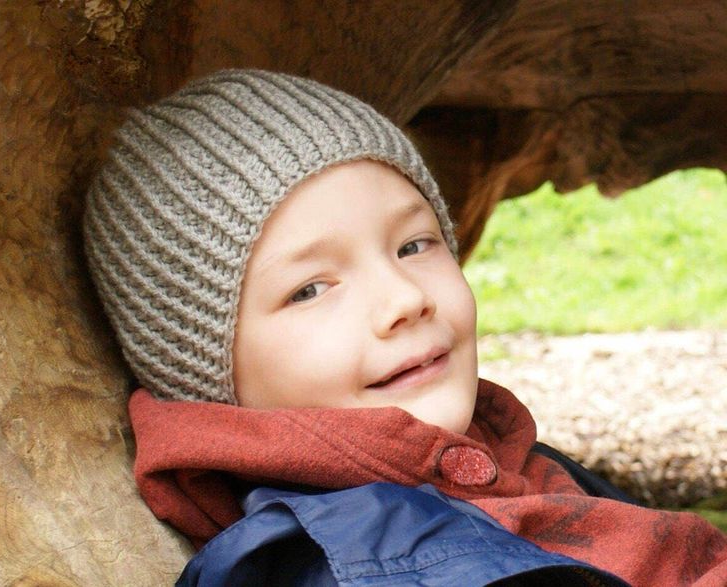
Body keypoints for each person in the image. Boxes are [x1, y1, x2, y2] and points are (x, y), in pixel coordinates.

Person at [82, 69, 727, 586]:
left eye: (415, 245)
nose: (405, 298)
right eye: (310, 289)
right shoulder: (357, 557)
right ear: (205, 372)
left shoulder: (496, 457)